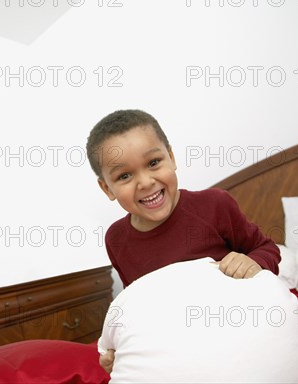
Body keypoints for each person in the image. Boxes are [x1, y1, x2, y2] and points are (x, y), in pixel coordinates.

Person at [85, 109, 281, 374]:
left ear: (172, 157)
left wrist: (252, 262)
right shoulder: (116, 238)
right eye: (124, 176)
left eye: (153, 163)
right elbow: (136, 304)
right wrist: (118, 351)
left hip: (236, 332)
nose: (145, 182)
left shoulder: (215, 205)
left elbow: (267, 249)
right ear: (107, 188)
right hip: (175, 350)